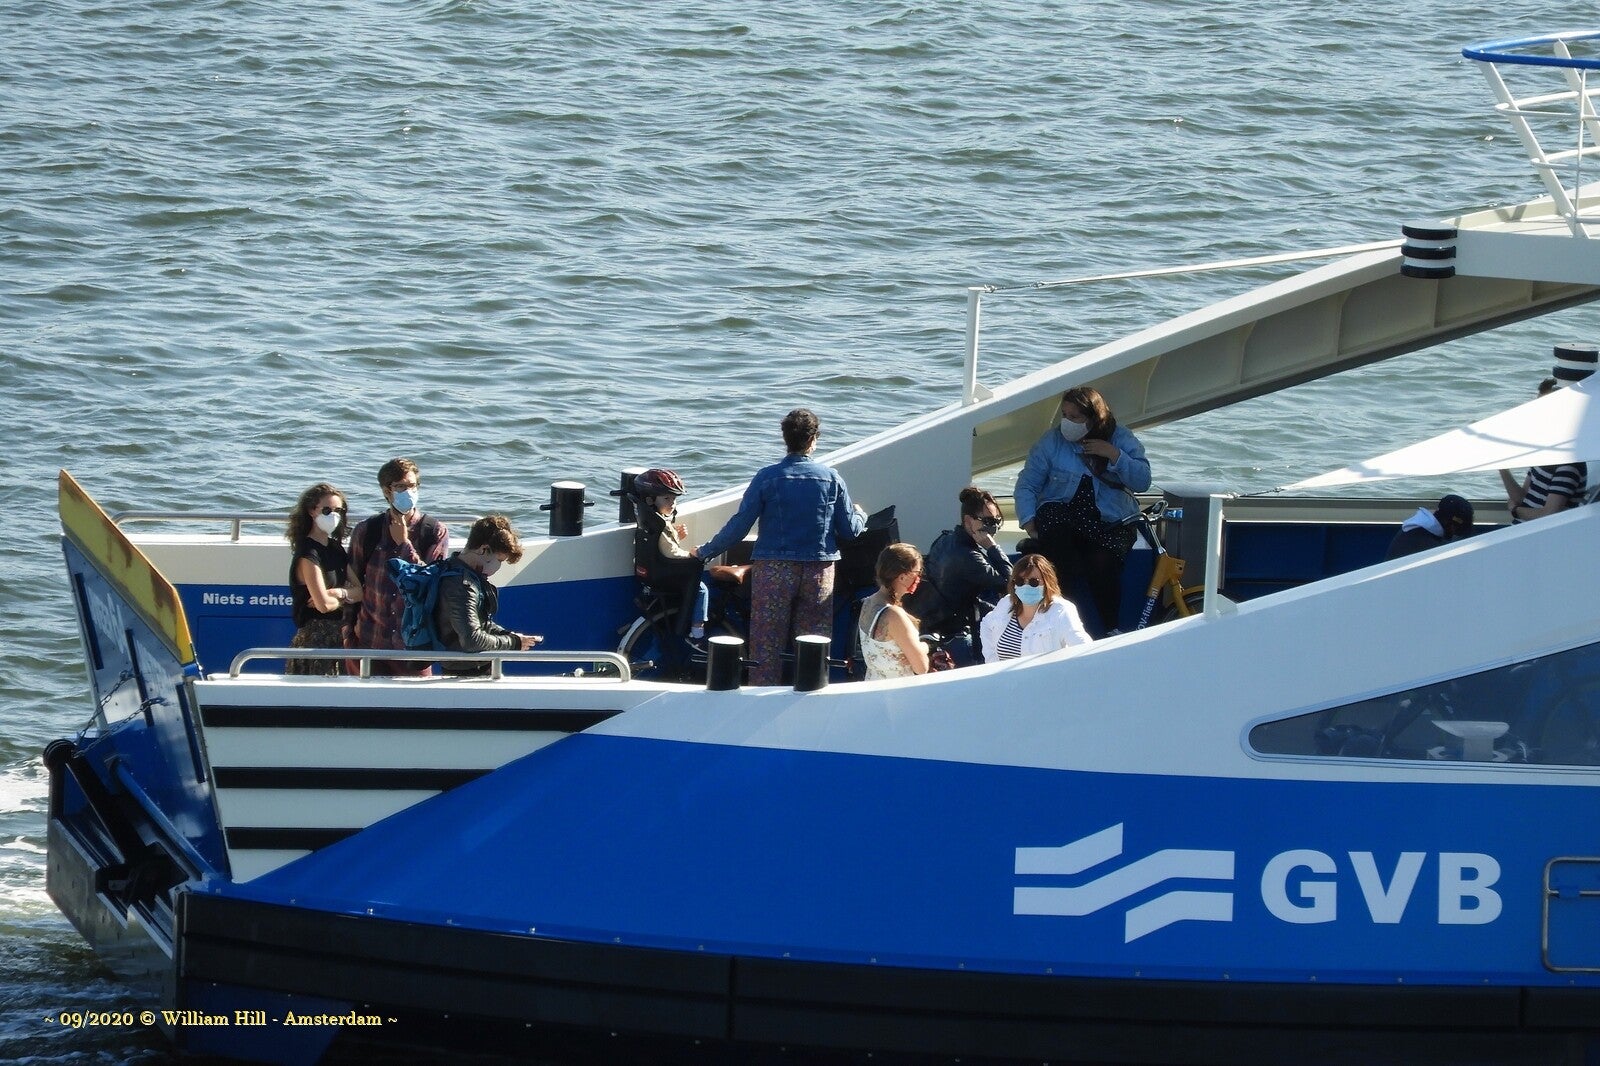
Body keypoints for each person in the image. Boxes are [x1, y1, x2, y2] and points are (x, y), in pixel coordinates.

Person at [692, 408, 867, 686]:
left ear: (785, 438)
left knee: (766, 644)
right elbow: (849, 530)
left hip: (773, 570)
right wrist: (860, 515)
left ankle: (761, 694)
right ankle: (810, 695)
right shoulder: (831, 478)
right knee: (813, 644)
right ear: (814, 439)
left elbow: (739, 526)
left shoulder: (767, 477)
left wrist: (704, 552)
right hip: (818, 571)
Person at [1014, 386, 1151, 638]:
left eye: (1075, 417)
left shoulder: (1120, 437)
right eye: (1065, 415)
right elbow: (1027, 483)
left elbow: (1143, 481)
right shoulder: (1052, 441)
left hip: (1109, 520)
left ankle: (1110, 628)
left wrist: (1114, 455)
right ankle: (1062, 625)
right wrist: (1029, 523)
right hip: (1064, 517)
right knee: (1060, 556)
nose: (1068, 422)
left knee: (1102, 563)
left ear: (1093, 417)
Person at [347, 457, 450, 676]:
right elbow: (351, 581)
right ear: (387, 491)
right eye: (400, 487)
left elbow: (431, 584)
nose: (408, 492)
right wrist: (348, 633)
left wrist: (404, 544)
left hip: (414, 645)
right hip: (370, 641)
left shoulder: (433, 531)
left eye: (412, 486)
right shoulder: (367, 530)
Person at [906, 486, 1011, 666]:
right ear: (968, 521)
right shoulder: (968, 557)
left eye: (997, 521)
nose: (993, 527)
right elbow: (1012, 584)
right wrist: (993, 547)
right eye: (987, 521)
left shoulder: (945, 539)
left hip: (932, 618)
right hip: (951, 631)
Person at [435, 515, 542, 675]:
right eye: (499, 560)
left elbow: (480, 623)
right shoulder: (462, 585)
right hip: (467, 672)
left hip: (472, 667)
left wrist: (508, 635)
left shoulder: (456, 570)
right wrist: (513, 643)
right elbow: (472, 640)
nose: (498, 567)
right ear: (483, 549)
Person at [285, 482, 361, 675]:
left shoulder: (335, 548)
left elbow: (360, 592)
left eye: (338, 511)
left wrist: (338, 593)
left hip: (341, 637)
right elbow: (323, 605)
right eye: (327, 510)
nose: (333, 515)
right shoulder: (308, 553)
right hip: (316, 640)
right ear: (312, 510)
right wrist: (345, 598)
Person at [633, 468, 710, 641]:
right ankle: (698, 630)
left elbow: (663, 544)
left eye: (674, 499)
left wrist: (676, 536)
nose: (672, 503)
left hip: (651, 572)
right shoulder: (660, 525)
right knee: (701, 589)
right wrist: (692, 555)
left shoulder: (651, 521)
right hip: (666, 573)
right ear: (650, 500)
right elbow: (671, 553)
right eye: (666, 498)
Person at [980, 554, 1092, 663]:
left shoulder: (1061, 610)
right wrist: (992, 662)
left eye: (1033, 582)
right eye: (1020, 581)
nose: (1026, 586)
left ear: (1047, 583)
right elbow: (986, 625)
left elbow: (1083, 647)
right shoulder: (1007, 603)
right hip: (1007, 676)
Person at [856, 543, 931, 680]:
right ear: (902, 577)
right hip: (898, 689)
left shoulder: (868, 602)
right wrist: (925, 646)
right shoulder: (894, 615)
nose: (919, 578)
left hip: (873, 685)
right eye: (917, 572)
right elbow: (921, 668)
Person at [1384, 494, 1474, 560]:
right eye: (1457, 531)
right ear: (1448, 523)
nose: (1455, 534)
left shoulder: (1419, 528)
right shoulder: (1425, 541)